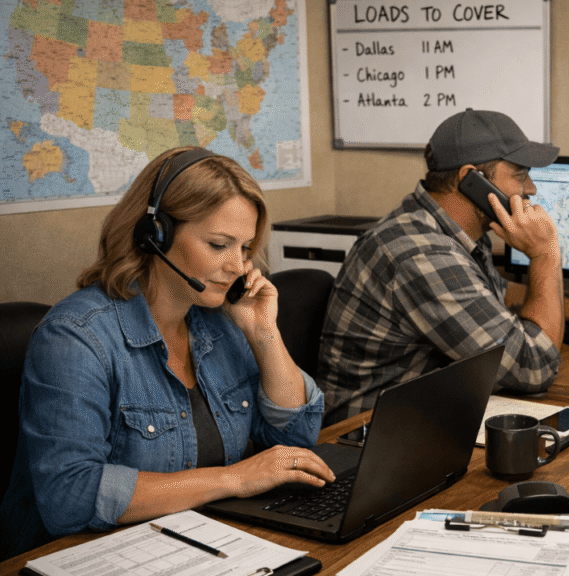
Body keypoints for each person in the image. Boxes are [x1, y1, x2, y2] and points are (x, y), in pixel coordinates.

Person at [0, 147, 334, 559]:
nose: (237, 265)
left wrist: (263, 332)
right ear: (154, 235)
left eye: (245, 248)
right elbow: (70, 495)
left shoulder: (219, 320)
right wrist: (233, 479)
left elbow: (295, 438)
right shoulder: (75, 338)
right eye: (218, 245)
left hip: (191, 542)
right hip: (87, 556)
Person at [317, 109, 569, 426]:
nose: (531, 189)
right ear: (471, 179)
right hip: (367, 437)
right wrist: (545, 254)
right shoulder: (422, 253)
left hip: (423, 413)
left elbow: (493, 294)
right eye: (520, 175)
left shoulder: (441, 224)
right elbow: (535, 368)